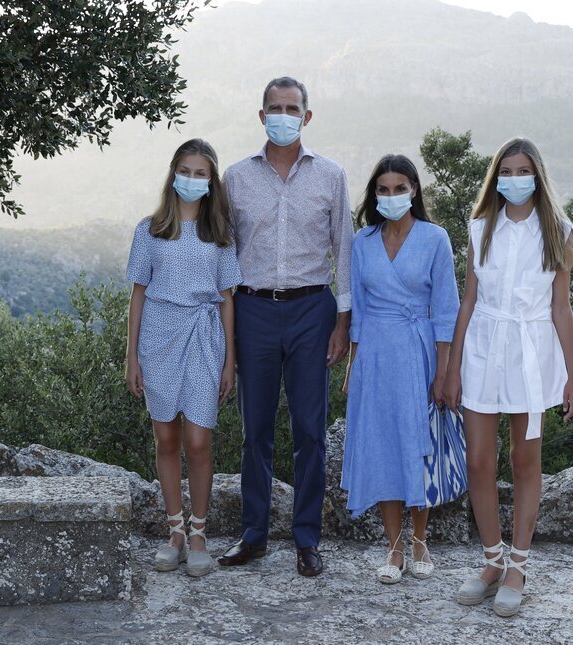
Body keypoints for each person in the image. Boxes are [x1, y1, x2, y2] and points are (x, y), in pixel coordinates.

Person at [218, 77, 355, 577]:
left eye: (292, 108)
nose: (283, 115)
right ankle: (253, 536)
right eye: (274, 108)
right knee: (254, 430)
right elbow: (225, 254)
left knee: (310, 430)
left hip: (311, 311)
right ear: (261, 116)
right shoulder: (235, 177)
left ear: (307, 116)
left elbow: (343, 250)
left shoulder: (331, 176)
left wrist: (343, 322)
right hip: (252, 308)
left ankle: (306, 538)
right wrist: (226, 326)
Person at [443, 137, 573, 616]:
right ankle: (491, 560)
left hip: (531, 352)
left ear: (537, 176)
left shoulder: (560, 231)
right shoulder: (480, 227)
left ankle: (518, 566)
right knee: (479, 461)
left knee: (526, 461)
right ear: (495, 177)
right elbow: (468, 299)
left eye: (524, 171)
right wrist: (452, 366)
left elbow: (561, 307)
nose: (515, 179)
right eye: (507, 171)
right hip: (483, 347)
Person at [125, 138, 242, 578]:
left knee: (198, 439)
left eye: (201, 173)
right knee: (166, 438)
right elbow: (137, 294)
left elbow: (228, 299)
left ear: (212, 182)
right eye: (186, 171)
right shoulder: (150, 229)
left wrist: (230, 360)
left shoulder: (221, 234)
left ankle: (199, 533)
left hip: (204, 336)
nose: (192, 180)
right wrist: (131, 355)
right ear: (173, 174)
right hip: (157, 336)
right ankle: (174, 531)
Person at [341, 154, 460, 584]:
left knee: (417, 443)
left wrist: (444, 373)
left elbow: (447, 309)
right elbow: (357, 310)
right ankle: (393, 548)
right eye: (383, 189)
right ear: (375, 194)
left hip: (419, 350)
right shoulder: (363, 242)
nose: (392, 196)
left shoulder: (435, 238)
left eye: (400, 188)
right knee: (383, 445)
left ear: (414, 191)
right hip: (375, 352)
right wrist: (352, 368)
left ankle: (420, 541)